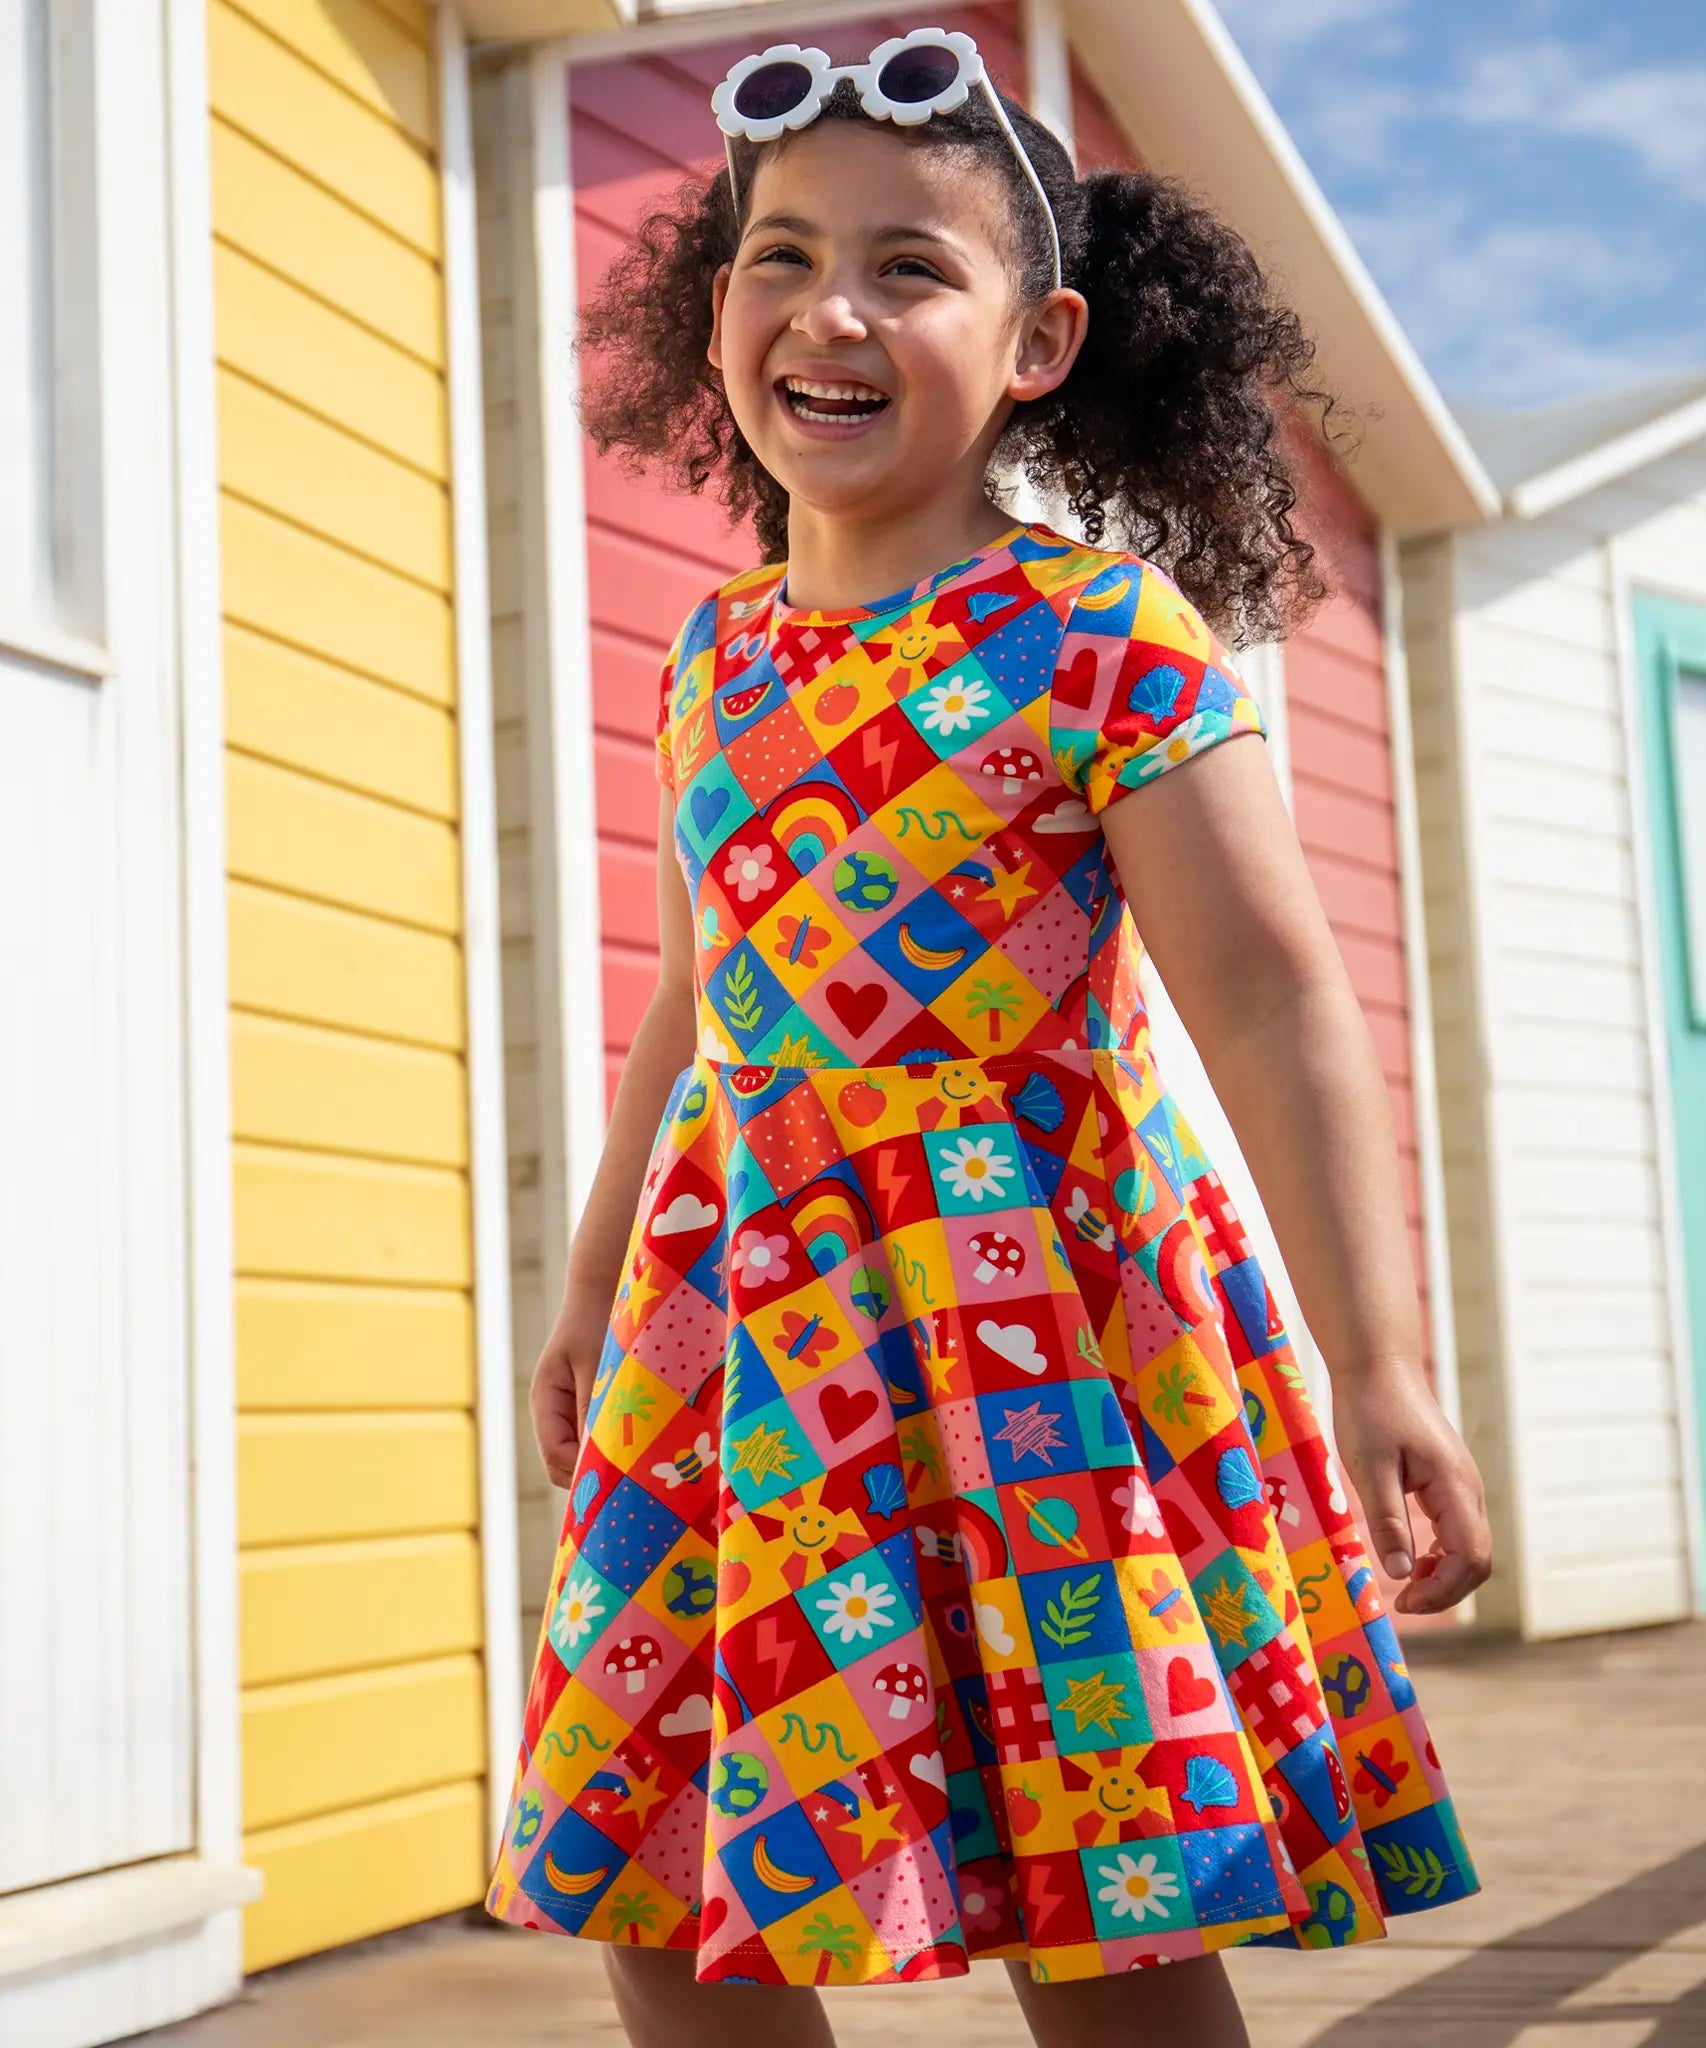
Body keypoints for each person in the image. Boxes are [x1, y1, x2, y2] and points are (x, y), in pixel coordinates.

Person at [485, 27, 1491, 2048]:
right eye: (777, 256)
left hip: (1022, 1321)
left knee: (1094, 1866)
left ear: (1036, 344)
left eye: (905, 270)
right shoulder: (713, 654)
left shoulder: (1099, 635)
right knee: (662, 1849)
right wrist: (597, 1268)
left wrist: (1375, 1362)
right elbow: (700, 989)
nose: (826, 311)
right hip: (740, 1314)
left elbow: (1277, 995)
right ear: (718, 310)